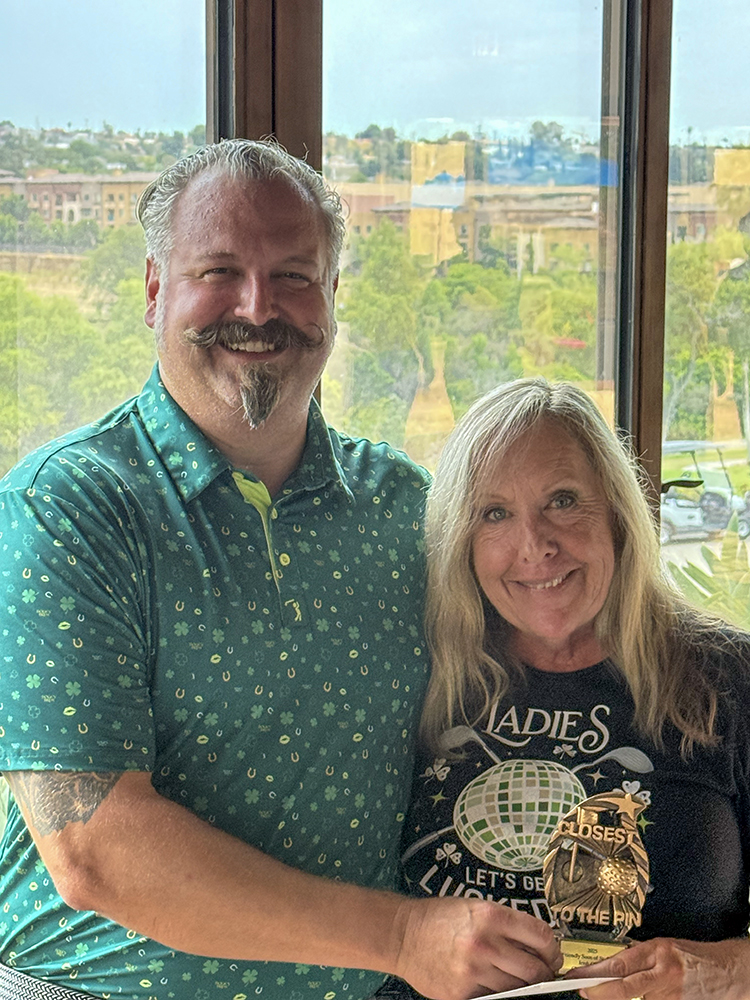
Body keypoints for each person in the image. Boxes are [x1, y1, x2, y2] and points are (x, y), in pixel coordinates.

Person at [0, 141, 562, 1000]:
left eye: (294, 276)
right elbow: (93, 850)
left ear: (332, 295)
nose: (258, 307)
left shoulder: (404, 505)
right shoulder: (69, 507)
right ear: (154, 290)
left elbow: (555, 644)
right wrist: (404, 936)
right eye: (219, 271)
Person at [389, 377, 750, 1000]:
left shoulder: (727, 678)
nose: (535, 547)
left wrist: (719, 975)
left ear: (616, 512)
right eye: (494, 514)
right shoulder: (420, 671)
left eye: (562, 500)